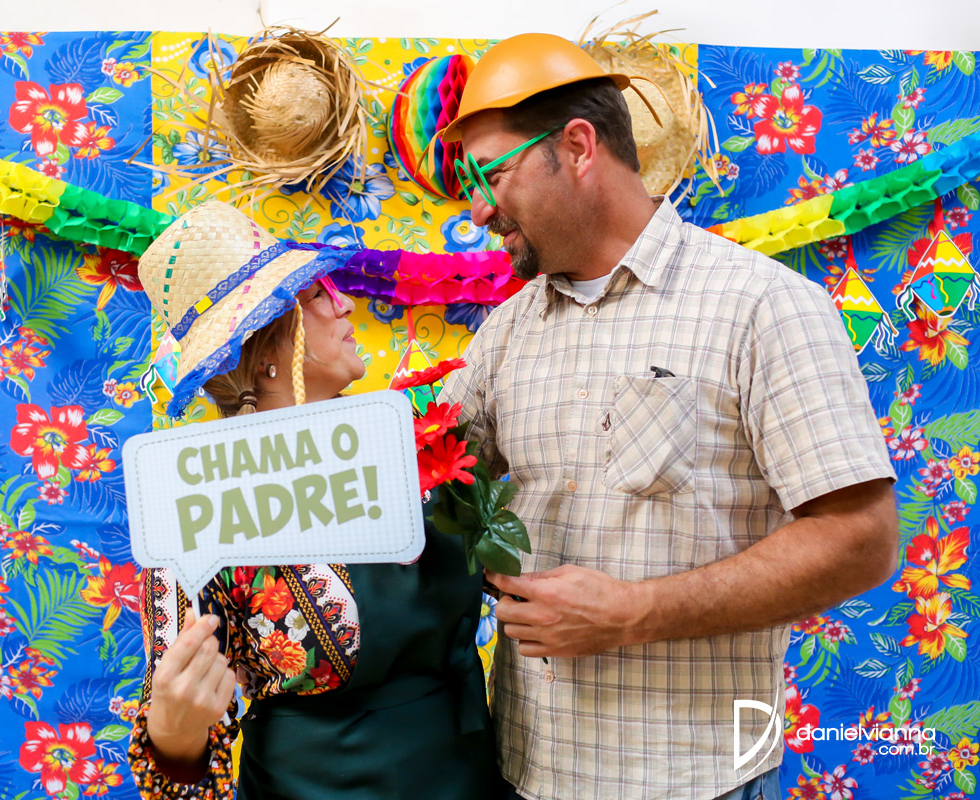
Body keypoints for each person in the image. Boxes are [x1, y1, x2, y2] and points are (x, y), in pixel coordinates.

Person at [436, 33, 900, 800]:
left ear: (577, 147)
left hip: (699, 779)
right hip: (527, 769)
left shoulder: (762, 306)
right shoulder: (506, 333)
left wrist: (635, 613)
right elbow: (435, 489)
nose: (479, 207)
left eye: (492, 174)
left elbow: (862, 539)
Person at [127, 200, 502, 800]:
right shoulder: (196, 510)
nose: (345, 303)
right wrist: (172, 730)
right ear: (266, 349)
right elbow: (177, 766)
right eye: (315, 292)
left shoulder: (410, 441)